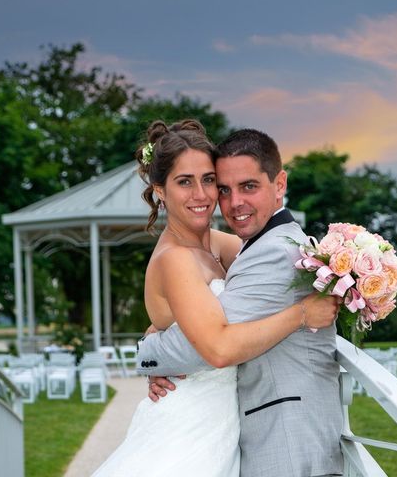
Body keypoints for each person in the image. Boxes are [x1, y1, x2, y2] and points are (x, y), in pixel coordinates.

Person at [92, 120, 338, 476]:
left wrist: (154, 342)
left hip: (226, 423)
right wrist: (301, 314)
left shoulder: (223, 245)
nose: (202, 195)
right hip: (189, 424)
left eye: (208, 181)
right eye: (184, 182)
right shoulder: (174, 258)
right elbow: (217, 347)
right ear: (160, 190)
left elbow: (210, 312)